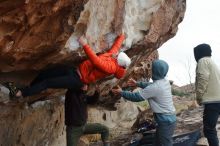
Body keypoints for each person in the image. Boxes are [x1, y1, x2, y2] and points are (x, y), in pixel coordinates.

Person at [5, 33, 131, 99]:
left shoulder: (112, 67)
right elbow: (116, 47)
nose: (115, 55)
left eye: (117, 56)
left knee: (47, 83)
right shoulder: (114, 57)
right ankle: (30, 88)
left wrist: (85, 45)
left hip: (77, 80)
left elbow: (96, 62)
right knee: (45, 74)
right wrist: (122, 36)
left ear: (118, 62)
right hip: (74, 71)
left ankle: (20, 94)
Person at [112, 59, 176, 146]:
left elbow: (137, 97)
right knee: (158, 142)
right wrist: (138, 84)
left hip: (165, 121)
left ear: (155, 71)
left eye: (152, 69)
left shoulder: (156, 87)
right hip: (168, 119)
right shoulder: (164, 81)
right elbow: (150, 85)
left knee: (165, 143)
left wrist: (121, 92)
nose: (150, 70)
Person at [194, 43, 220, 146]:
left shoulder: (202, 61)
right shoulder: (212, 62)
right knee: (211, 128)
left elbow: (203, 79)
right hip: (218, 99)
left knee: (209, 129)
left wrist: (199, 97)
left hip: (212, 102)